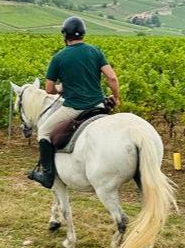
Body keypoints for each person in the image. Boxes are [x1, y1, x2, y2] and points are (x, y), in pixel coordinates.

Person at [28, 16, 120, 188]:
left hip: (74, 108)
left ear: (65, 35)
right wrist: (116, 97)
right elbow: (112, 78)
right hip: (98, 106)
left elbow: (48, 89)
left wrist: (60, 88)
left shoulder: (59, 58)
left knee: (44, 132)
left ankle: (47, 176)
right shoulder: (95, 51)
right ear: (83, 34)